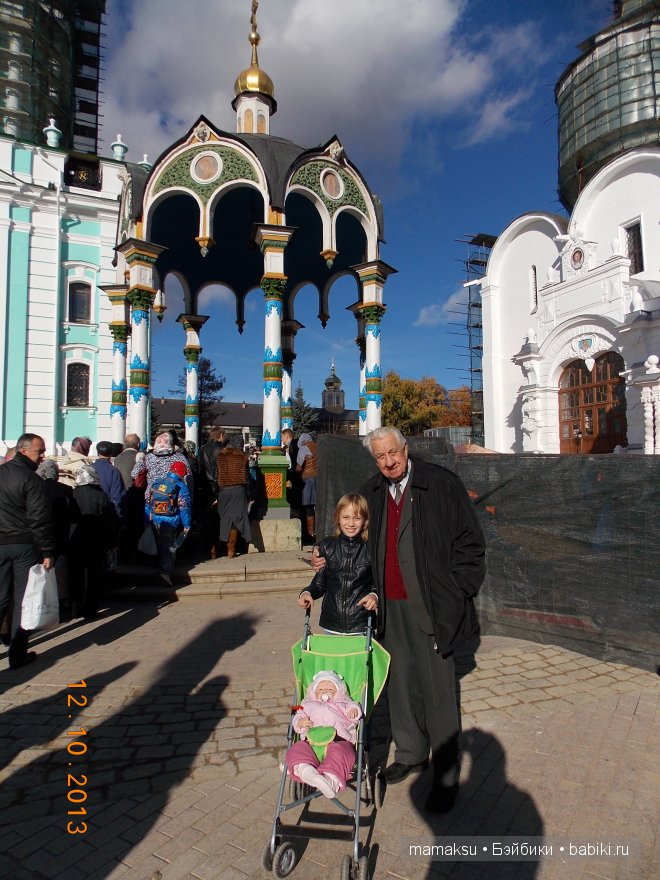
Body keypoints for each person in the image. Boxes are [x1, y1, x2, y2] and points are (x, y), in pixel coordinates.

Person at [313, 426, 486, 814]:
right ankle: (411, 753)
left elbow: (471, 544)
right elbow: (351, 533)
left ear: (405, 449)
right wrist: (324, 553)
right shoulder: (372, 491)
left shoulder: (440, 484)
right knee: (401, 685)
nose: (389, 461)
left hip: (432, 605)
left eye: (393, 452)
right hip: (386, 606)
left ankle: (445, 774)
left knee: (439, 692)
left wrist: (458, 592)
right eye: (380, 456)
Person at [0, 433, 55, 668]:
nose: (43, 456)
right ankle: (17, 654)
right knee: (24, 600)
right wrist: (48, 550)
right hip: (24, 544)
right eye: (39, 451)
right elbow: (39, 518)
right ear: (24, 451)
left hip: (4, 542)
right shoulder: (32, 479)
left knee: (1, 597)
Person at [298, 492, 378, 633]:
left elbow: (377, 584)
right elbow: (319, 584)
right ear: (338, 519)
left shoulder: (371, 549)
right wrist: (307, 593)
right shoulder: (328, 546)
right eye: (346, 517)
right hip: (331, 624)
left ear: (365, 521)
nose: (351, 523)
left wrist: (374, 596)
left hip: (361, 624)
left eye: (357, 518)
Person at [285, 670, 362, 799]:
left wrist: (354, 710)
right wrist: (300, 722)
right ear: (313, 691)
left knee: (342, 753)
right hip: (312, 742)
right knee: (297, 749)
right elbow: (298, 715)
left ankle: (330, 780)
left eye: (330, 689)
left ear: (338, 691)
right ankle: (307, 771)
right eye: (320, 689)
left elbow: (354, 709)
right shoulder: (307, 703)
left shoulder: (343, 703)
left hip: (338, 740)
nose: (325, 691)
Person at [68, 465, 119, 619]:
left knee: (76, 575)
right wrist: (111, 541)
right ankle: (90, 610)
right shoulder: (100, 494)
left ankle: (75, 609)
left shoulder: (72, 493)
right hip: (95, 540)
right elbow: (107, 519)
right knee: (93, 576)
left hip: (75, 540)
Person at [146, 460, 191, 587]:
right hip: (170, 521)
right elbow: (184, 508)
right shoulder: (181, 487)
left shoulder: (158, 483)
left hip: (156, 519)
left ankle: (158, 569)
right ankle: (164, 574)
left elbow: (149, 502)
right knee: (169, 548)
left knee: (160, 545)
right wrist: (187, 524)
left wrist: (149, 516)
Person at [216, 434, 251, 558]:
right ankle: (231, 549)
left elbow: (216, 475)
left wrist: (216, 493)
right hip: (238, 490)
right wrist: (249, 493)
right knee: (237, 519)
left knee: (225, 518)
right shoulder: (243, 457)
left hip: (224, 491)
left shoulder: (220, 456)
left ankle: (221, 546)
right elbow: (247, 477)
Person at [199, 428, 225, 558]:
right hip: (218, 487)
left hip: (205, 487)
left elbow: (201, 468)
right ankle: (216, 545)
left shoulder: (202, 449)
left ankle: (207, 545)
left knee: (207, 518)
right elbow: (219, 471)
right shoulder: (221, 450)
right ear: (221, 436)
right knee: (218, 519)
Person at [93, 440, 127, 522]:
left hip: (91, 511)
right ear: (111, 454)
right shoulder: (114, 471)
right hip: (108, 512)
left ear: (98, 453)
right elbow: (117, 496)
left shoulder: (89, 468)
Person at [296, 432, 318, 543]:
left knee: (308, 507)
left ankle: (310, 533)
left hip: (307, 480)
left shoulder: (303, 449)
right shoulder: (319, 447)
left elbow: (299, 468)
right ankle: (318, 531)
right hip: (318, 479)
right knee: (318, 506)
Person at [282, 428, 302, 517]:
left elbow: (295, 462)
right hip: (294, 473)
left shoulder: (294, 446)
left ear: (287, 436)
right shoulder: (289, 447)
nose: (282, 440)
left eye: (282, 437)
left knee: (294, 492)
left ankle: (295, 510)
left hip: (295, 473)